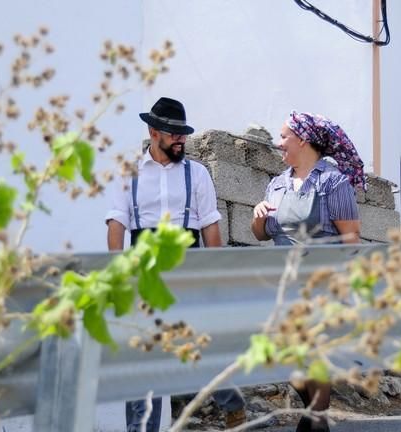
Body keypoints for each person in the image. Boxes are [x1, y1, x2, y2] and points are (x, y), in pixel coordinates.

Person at [105, 97, 246, 431]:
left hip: (190, 270)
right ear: (154, 132)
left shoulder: (197, 174)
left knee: (204, 348)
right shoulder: (128, 175)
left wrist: (216, 278)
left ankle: (232, 405)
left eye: (183, 133)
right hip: (145, 274)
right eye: (174, 133)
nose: (181, 139)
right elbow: (116, 225)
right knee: (143, 360)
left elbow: (211, 226)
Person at [251, 111, 364, 432]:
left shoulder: (333, 182)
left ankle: (316, 419)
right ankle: (316, 416)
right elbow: (261, 234)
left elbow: (351, 238)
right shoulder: (277, 184)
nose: (278, 143)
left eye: (284, 136)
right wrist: (258, 216)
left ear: (302, 141)